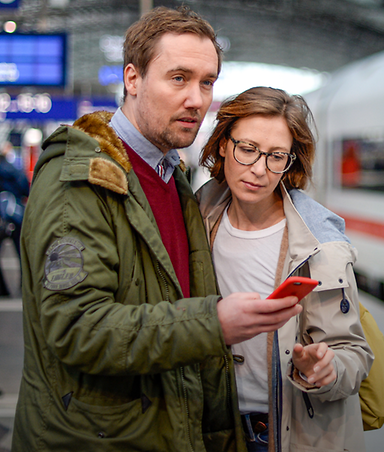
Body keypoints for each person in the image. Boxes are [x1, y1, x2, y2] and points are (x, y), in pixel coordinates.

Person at [12, 7, 301, 452]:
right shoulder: (80, 180)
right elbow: (75, 327)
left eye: (207, 82)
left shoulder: (173, 177)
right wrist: (215, 322)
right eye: (179, 78)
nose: (197, 99)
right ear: (132, 78)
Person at [196, 86, 372, 452]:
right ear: (223, 144)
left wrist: (328, 368)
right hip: (211, 429)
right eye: (247, 150)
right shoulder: (200, 215)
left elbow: (354, 354)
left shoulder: (321, 246)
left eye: (276, 156)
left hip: (288, 433)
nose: (259, 170)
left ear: (291, 161)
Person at [0, 141, 29, 296]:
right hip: (16, 215)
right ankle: (24, 285)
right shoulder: (14, 169)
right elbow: (25, 187)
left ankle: (2, 289)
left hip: (1, 217)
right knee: (22, 253)